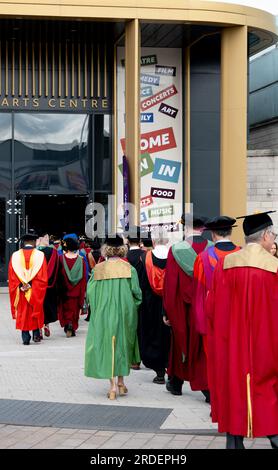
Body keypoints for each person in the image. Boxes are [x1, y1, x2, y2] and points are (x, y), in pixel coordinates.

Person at [206, 211, 278, 449]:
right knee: (267, 390)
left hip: (232, 346)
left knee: (235, 388)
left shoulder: (226, 265)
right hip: (266, 346)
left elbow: (211, 309)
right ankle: (273, 435)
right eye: (273, 234)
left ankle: (234, 440)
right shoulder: (274, 268)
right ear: (266, 236)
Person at [85, 234, 142, 400]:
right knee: (123, 345)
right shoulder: (129, 269)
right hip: (124, 313)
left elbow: (90, 294)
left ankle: (111, 387)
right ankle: (121, 382)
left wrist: (97, 310)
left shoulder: (98, 269)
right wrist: (132, 308)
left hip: (103, 314)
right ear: (122, 249)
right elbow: (137, 294)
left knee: (106, 344)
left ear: (106, 249)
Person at [192, 216, 240, 402]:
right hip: (239, 318)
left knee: (215, 358)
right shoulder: (242, 254)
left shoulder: (204, 258)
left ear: (213, 234)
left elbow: (199, 293)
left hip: (214, 319)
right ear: (231, 231)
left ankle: (217, 395)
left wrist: (201, 322)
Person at [163, 214, 212, 396]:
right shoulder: (212, 250)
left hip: (182, 309)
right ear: (203, 229)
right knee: (202, 346)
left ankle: (176, 385)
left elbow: (170, 284)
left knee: (180, 344)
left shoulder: (176, 250)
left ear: (186, 228)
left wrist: (167, 311)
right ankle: (207, 390)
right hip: (206, 307)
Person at [139, 227, 171, 384]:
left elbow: (142, 283)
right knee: (169, 335)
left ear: (152, 241)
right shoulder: (174, 256)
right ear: (167, 240)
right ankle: (171, 368)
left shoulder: (145, 258)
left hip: (150, 303)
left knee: (152, 333)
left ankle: (159, 371)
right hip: (169, 302)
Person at [8, 232, 48, 345]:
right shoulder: (40, 255)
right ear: (34, 242)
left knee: (23, 313)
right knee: (35, 309)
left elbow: (12, 276)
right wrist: (31, 284)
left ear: (23, 242)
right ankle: (36, 334)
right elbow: (43, 276)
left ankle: (25, 338)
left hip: (21, 291)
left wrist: (21, 285)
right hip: (35, 290)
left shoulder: (15, 256)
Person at [57, 236, 87, 337]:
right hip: (77, 291)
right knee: (74, 310)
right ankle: (72, 326)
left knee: (65, 309)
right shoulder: (81, 260)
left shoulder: (61, 259)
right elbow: (83, 278)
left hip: (64, 290)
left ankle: (67, 324)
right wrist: (83, 292)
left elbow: (57, 275)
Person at [126, 226, 146, 370]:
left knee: (130, 328)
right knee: (143, 327)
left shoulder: (123, 257)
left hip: (127, 297)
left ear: (127, 239)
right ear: (139, 240)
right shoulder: (145, 255)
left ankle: (134, 360)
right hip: (143, 295)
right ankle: (143, 356)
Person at [36, 232, 60, 337]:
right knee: (47, 305)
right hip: (50, 284)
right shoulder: (52, 252)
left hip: (37, 285)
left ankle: (39, 328)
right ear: (43, 238)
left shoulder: (34, 252)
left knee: (38, 306)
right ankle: (46, 325)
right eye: (46, 237)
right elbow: (56, 268)